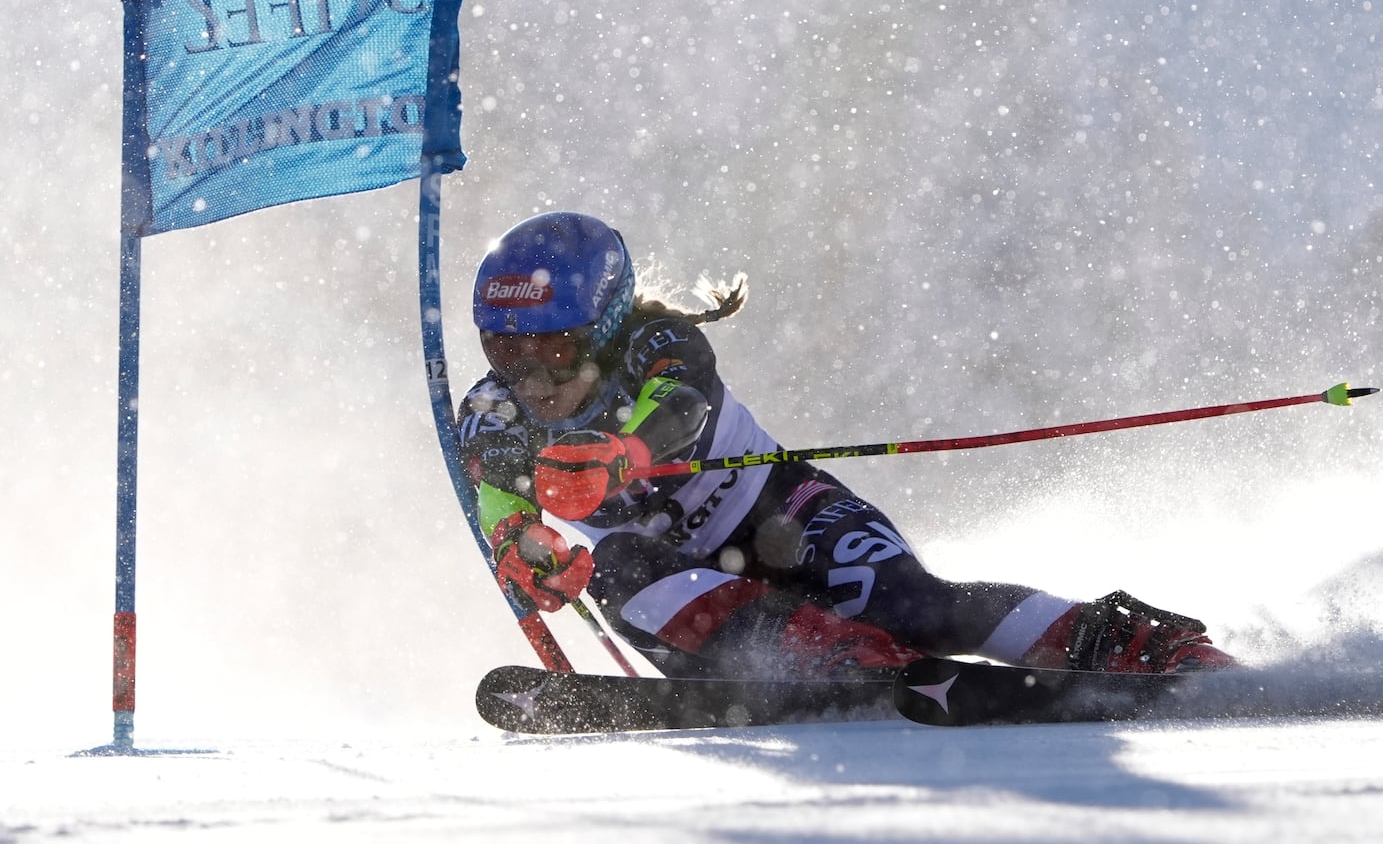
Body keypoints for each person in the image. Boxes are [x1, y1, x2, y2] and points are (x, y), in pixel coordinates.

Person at [457, 211, 1236, 678]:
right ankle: (832, 659)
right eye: (503, 350)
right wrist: (522, 541)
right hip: (682, 598)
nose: (528, 375)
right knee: (616, 562)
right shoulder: (494, 413)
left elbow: (683, 403)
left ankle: (1124, 644)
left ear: (601, 323)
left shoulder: (655, 341)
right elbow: (497, 492)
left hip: (784, 518)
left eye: (551, 346)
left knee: (917, 608)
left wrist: (624, 453)